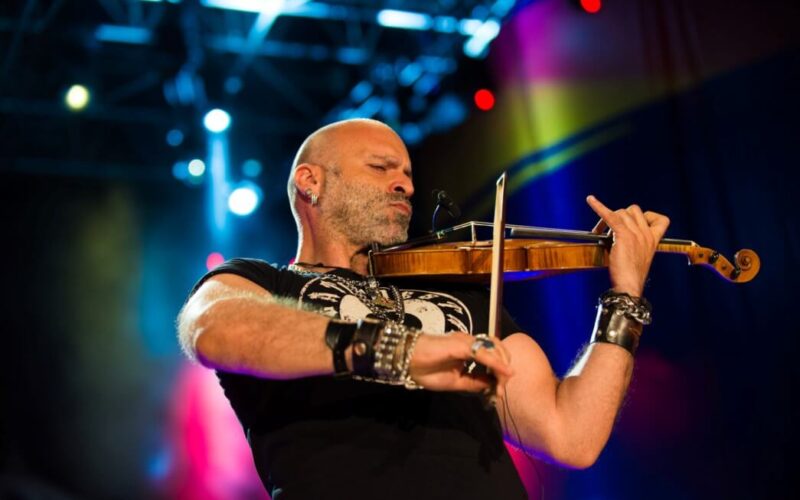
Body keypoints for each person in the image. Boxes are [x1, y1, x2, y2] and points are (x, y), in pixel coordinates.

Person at [177, 118, 670, 499]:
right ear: (311, 182)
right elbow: (211, 328)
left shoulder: (459, 299)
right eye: (381, 168)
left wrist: (625, 298)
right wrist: (402, 351)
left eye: (408, 174)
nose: (405, 185)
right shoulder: (265, 283)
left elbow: (572, 436)